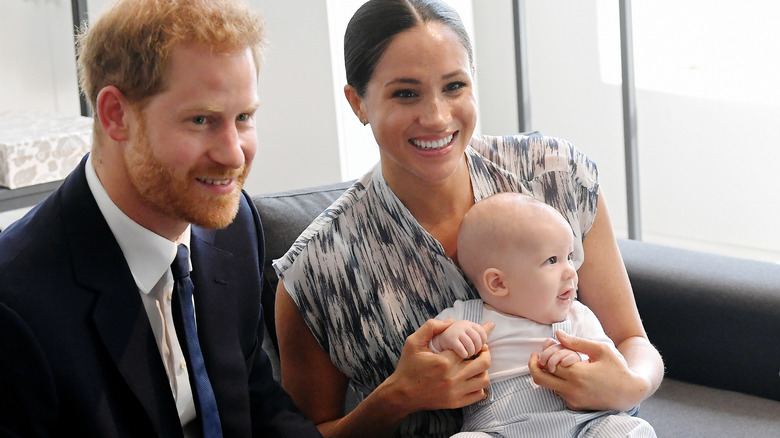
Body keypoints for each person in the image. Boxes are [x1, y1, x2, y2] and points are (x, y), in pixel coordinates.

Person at [273, 0, 664, 436]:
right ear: (358, 103)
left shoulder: (554, 175)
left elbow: (631, 339)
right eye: (406, 93)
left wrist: (630, 386)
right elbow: (308, 431)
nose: (437, 116)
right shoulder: (317, 269)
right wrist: (398, 396)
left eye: (454, 86)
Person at [0, 0, 321, 436]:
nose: (233, 154)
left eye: (244, 117)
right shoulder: (16, 304)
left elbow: (256, 402)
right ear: (116, 115)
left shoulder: (233, 226)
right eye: (202, 120)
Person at [429, 192, 656, 437]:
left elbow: (611, 368)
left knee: (629, 430)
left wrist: (578, 362)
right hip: (501, 430)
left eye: (569, 257)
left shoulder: (578, 317)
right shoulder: (467, 317)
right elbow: (426, 353)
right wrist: (448, 338)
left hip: (584, 425)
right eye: (551, 260)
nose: (570, 270)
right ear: (497, 282)